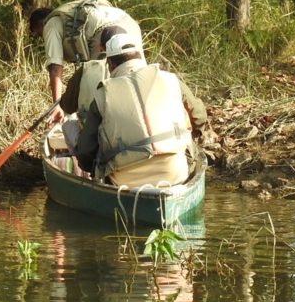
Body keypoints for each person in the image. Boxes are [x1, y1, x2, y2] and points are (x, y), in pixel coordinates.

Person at [75, 32, 207, 187]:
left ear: (110, 64)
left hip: (124, 181)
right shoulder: (170, 79)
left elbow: (85, 152)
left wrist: (91, 168)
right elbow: (199, 116)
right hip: (175, 173)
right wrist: (194, 134)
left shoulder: (102, 95)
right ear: (140, 56)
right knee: (189, 145)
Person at [28, 0, 142, 119]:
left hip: (104, 31)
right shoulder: (69, 16)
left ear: (40, 25)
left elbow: (55, 68)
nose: (42, 38)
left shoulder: (50, 24)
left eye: (39, 34)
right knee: (135, 77)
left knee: (97, 93)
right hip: (129, 24)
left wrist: (57, 106)